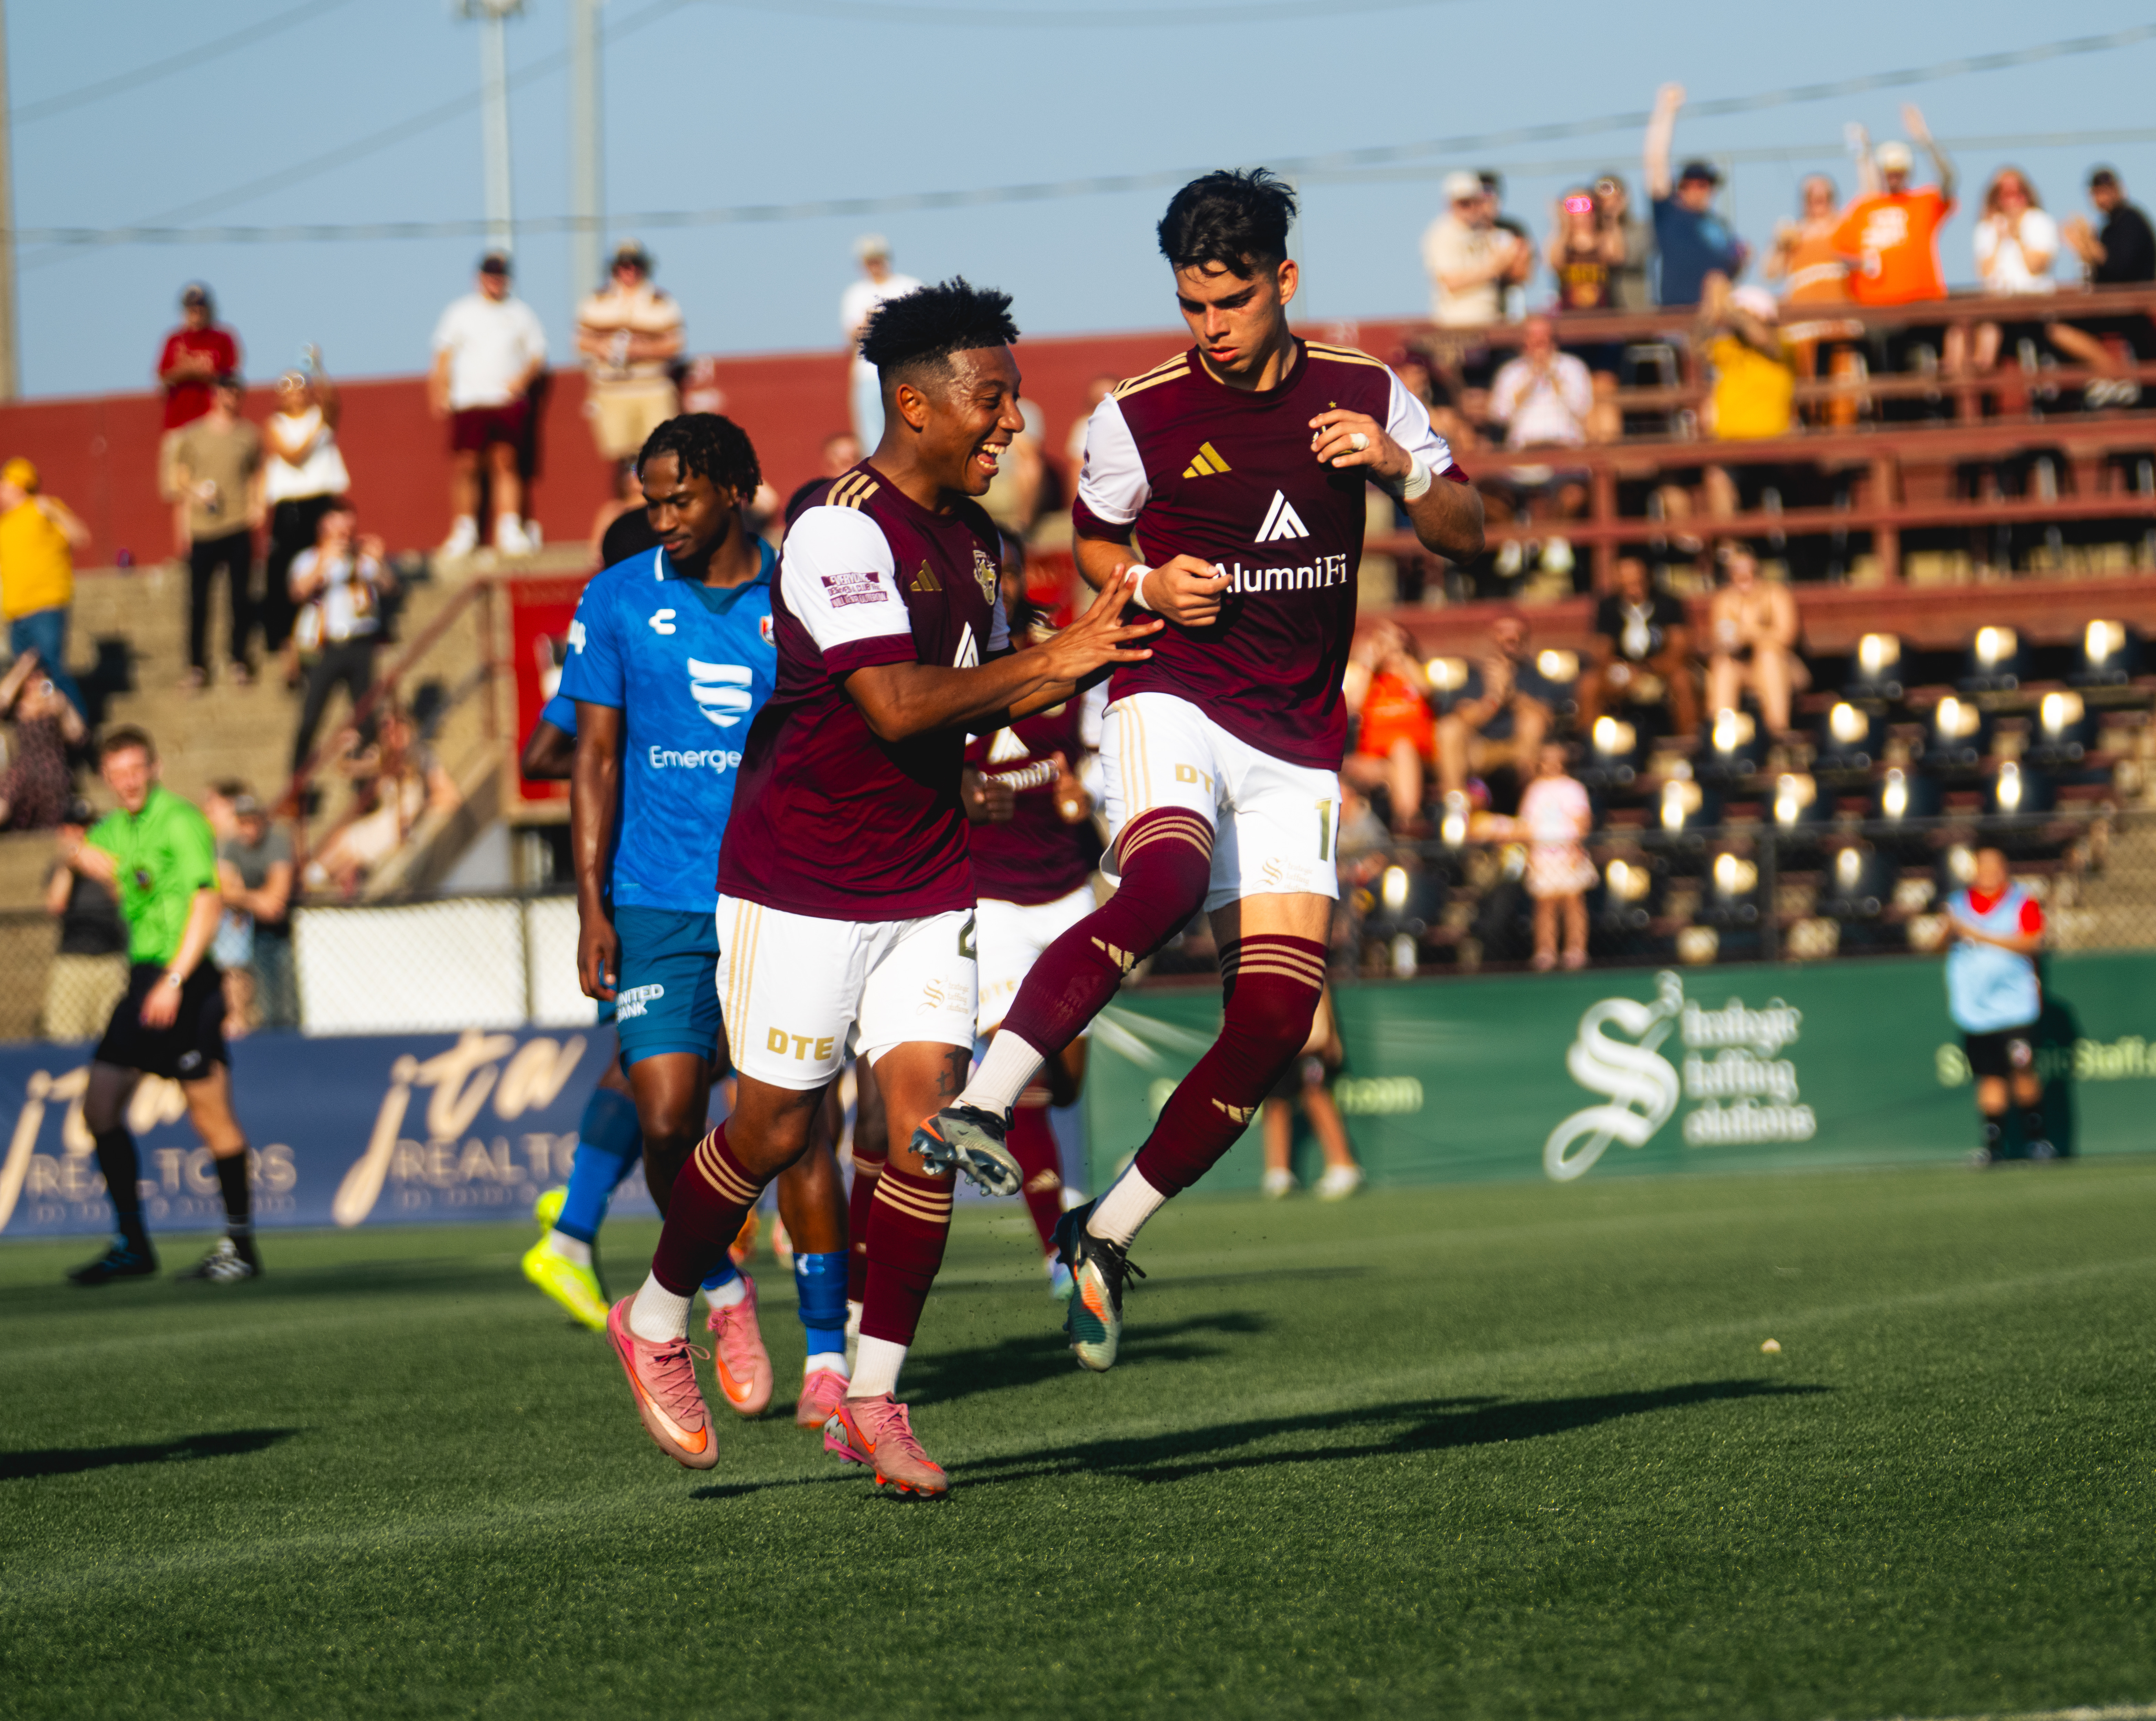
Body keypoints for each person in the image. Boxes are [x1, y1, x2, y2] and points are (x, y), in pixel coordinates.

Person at [921, 169, 1481, 1379]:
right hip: (1171, 690)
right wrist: (1145, 586)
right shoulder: (1138, 414)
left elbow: (1467, 532)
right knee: (1164, 879)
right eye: (1189, 304)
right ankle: (982, 1098)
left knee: (1274, 1018)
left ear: (1283, 282)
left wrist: (1398, 464)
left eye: (1227, 303)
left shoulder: (1366, 392)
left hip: (1295, 739)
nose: (1207, 327)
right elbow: (1094, 544)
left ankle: (1102, 1233)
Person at [603, 279, 1157, 1494]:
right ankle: (651, 1318)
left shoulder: (980, 542)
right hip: (798, 882)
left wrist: (1108, 644)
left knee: (923, 1130)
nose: (1014, 420)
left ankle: (870, 1396)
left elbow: (991, 695)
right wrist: (1056, 656)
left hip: (924, 881)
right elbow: (894, 702)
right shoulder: (837, 528)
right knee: (770, 1131)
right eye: (992, 397)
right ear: (914, 404)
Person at [557, 412, 854, 1430]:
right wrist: (592, 902)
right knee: (667, 1113)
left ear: (735, 487)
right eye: (650, 500)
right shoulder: (614, 596)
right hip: (655, 894)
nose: (662, 517)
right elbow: (589, 759)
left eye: (678, 497)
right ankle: (723, 1291)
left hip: (783, 892)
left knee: (802, 1125)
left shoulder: (799, 594)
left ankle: (828, 1357)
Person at [57, 728, 262, 1284]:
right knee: (99, 1105)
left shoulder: (179, 819)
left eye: (135, 768)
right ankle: (132, 1244)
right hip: (143, 978)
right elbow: (86, 849)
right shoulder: (119, 826)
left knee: (211, 1116)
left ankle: (241, 1245)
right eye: (116, 772)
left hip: (186, 978)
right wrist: (77, 852)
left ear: (155, 766)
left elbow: (207, 898)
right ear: (107, 777)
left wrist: (175, 978)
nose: (127, 780)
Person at [960, 539, 1104, 1300]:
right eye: (985, 575)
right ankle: (1059, 1246)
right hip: (993, 900)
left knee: (1069, 1075)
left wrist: (1089, 794)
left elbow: (1093, 760)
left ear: (1021, 579)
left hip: (1066, 889)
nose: (997, 586)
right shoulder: (950, 670)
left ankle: (1079, 1212)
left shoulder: (1062, 660)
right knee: (1032, 1072)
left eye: (1006, 572)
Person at [430, 252, 548, 558]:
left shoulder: (521, 314)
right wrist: (438, 392)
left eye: (500, 276)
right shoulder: (460, 312)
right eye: (490, 275)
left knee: (506, 461)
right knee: (466, 464)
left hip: (506, 402)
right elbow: (443, 355)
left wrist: (520, 381)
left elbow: (537, 356)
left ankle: (509, 527)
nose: (495, 281)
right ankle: (464, 529)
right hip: (469, 401)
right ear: (479, 278)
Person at [1945, 847, 2052, 1165]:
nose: (1990, 872)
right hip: (1976, 1012)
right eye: (1984, 866)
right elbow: (1938, 944)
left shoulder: (2021, 900)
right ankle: (1994, 1147)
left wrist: (1981, 935)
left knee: (2022, 1069)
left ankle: (2038, 1141)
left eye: (1996, 866)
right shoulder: (1958, 904)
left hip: (2015, 1008)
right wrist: (1947, 932)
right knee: (1990, 1076)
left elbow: (2034, 940)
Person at [1832, 109, 1957, 378]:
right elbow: (1840, 252)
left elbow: (1949, 180)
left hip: (1920, 303)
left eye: (1899, 171)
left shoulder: (1922, 202)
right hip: (1876, 308)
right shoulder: (1863, 208)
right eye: (1889, 171)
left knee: (1929, 362)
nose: (1894, 176)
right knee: (1885, 369)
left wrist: (1925, 139)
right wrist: (1860, 262)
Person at [162, 373, 262, 689]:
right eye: (224, 391)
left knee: (240, 598)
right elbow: (178, 481)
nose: (229, 397)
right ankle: (196, 665)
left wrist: (257, 506)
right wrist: (191, 508)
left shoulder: (249, 435)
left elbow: (257, 473)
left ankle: (239, 660)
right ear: (213, 395)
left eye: (235, 391)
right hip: (203, 527)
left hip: (237, 524)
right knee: (198, 601)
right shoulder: (193, 435)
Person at [260, 354, 349, 689]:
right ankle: (291, 662)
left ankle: (326, 651)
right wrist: (318, 428)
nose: (294, 392)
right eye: (287, 386)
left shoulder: (321, 416)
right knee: (286, 582)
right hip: (290, 508)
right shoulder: (276, 425)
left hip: (321, 503)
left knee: (326, 576)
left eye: (299, 385)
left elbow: (332, 403)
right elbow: (293, 454)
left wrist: (319, 369)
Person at [288, 502, 394, 775]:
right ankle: (296, 784)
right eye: (339, 527)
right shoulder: (309, 559)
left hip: (361, 643)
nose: (345, 534)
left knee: (366, 717)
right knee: (310, 719)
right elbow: (297, 592)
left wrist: (379, 560)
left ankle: (367, 785)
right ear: (324, 527)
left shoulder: (361, 558)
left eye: (349, 527)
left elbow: (390, 587)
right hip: (327, 646)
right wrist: (324, 563)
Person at [575, 240, 685, 466]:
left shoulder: (661, 302)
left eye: (636, 264)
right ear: (615, 268)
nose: (630, 270)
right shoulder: (596, 301)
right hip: (611, 388)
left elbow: (676, 345)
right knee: (621, 459)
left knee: (660, 453)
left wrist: (641, 350)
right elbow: (580, 341)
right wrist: (600, 348)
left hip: (652, 386)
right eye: (624, 265)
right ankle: (629, 500)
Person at [0, 457, 89, 716]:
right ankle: (47, 738)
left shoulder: (42, 509)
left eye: (4, 483)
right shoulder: (5, 524)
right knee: (30, 682)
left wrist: (53, 511)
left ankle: (81, 731)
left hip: (46, 605)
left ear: (18, 485)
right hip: (17, 612)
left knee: (53, 670)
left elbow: (80, 536)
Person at [1642, 85, 1747, 306]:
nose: (1702, 190)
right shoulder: (1668, 213)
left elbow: (1733, 264)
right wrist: (1666, 112)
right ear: (1682, 187)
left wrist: (1743, 258)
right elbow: (1655, 162)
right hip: (1678, 313)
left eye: (1707, 185)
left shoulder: (1718, 225)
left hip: (1716, 315)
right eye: (1695, 184)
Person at [2053, 167, 2156, 392]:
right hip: (2115, 309)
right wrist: (2084, 249)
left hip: (2132, 312)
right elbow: (2096, 279)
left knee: (2057, 328)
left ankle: (2115, 377)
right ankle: (2102, 381)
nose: (2103, 197)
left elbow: (2120, 269)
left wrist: (2087, 243)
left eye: (2108, 191)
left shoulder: (2131, 220)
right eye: (2098, 192)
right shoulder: (2109, 228)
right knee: (2057, 323)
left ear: (2120, 191)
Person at [1435, 614, 1554, 803]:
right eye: (1503, 632)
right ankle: (1455, 804)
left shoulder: (1534, 675)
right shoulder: (1474, 675)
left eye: (1517, 632)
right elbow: (1464, 715)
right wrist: (1493, 699)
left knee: (1533, 721)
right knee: (1448, 729)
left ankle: (1531, 803)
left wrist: (1512, 695)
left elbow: (1547, 716)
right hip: (1479, 748)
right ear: (1491, 638)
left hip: (1521, 748)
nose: (1511, 637)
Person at [1258, 986, 1361, 1200]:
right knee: (1275, 1101)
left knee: (1316, 1095)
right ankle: (1279, 1173)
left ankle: (1344, 1167)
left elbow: (1322, 992)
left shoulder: (1308, 958)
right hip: (1273, 1038)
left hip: (1310, 1040)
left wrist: (1330, 1034)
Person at [1580, 555, 1697, 740]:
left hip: (1660, 671)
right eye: (1626, 582)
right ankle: (1590, 745)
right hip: (1622, 673)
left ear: (1647, 578)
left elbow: (1678, 650)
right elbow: (1601, 651)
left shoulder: (1668, 604)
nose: (1633, 587)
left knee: (1682, 679)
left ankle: (1688, 742)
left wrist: (1646, 669)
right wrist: (1623, 670)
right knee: (1589, 683)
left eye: (1637, 581)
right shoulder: (1608, 607)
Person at [41, 797, 130, 1042]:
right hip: (73, 961)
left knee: (113, 1037)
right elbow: (55, 905)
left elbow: (127, 900)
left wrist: (104, 871)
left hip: (112, 958)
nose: (84, 833)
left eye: (89, 826)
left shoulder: (111, 861)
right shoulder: (60, 866)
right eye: (77, 826)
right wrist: (70, 865)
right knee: (65, 1037)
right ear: (65, 830)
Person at [1343, 619, 1436, 834]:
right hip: (1374, 761)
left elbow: (1426, 690)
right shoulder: (1370, 680)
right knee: (1398, 764)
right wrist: (1370, 663)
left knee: (1402, 749)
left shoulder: (1411, 675)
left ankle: (1406, 823)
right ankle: (1409, 825)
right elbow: (1354, 706)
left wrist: (1400, 654)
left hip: (1417, 758)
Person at [215, 788, 296, 1030]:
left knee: (287, 1005)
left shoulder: (277, 842)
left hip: (281, 932)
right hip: (250, 930)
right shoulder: (231, 846)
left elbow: (277, 903)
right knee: (261, 1004)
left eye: (253, 820)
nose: (248, 828)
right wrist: (257, 899)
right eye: (242, 822)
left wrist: (242, 898)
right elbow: (224, 890)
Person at [1704, 541, 1802, 736]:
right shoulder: (1724, 600)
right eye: (1736, 570)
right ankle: (1723, 732)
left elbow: (1786, 637)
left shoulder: (1776, 594)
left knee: (1769, 657)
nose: (1743, 575)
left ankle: (1778, 730)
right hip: (1743, 666)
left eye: (1748, 569)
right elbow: (1722, 637)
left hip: (1783, 667)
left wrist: (1751, 632)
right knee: (1724, 665)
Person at [1970, 167, 2059, 376]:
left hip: (2035, 303)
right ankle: (1969, 387)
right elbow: (1985, 273)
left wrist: (2018, 236)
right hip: (1997, 306)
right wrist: (2000, 240)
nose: (2011, 200)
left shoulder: (2040, 221)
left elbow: (2037, 267)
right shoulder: (1987, 227)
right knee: (1966, 330)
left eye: (2017, 192)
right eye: (2003, 193)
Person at [839, 235, 923, 450]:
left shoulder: (910, 286)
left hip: (906, 370)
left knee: (911, 428)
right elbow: (851, 336)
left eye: (878, 259)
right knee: (872, 438)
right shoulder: (855, 293)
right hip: (868, 374)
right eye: (869, 260)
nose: (874, 265)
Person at [1518, 741, 1594, 971]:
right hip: (1543, 856)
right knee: (1545, 906)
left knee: (1573, 904)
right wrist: (1530, 852)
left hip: (1568, 853)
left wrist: (1575, 848)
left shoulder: (1574, 788)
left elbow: (1583, 820)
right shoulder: (1535, 790)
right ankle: (1546, 951)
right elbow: (1527, 824)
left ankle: (1576, 949)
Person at [1422, 170, 1529, 328]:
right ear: (1451, 204)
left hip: (1491, 321)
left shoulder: (1488, 231)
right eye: (1464, 203)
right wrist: (1494, 268)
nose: (1471, 208)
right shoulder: (1442, 233)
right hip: (1457, 325)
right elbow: (1450, 282)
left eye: (1476, 202)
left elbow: (1522, 273)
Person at [0, 647, 85, 830]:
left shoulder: (56, 704)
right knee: (10, 789)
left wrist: (65, 710)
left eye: (40, 676)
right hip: (25, 766)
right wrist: (23, 667)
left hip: (52, 768)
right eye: (32, 678)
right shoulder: (18, 707)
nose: (36, 681)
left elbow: (78, 736)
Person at [156, 283, 241, 433]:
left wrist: (202, 374)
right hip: (179, 422)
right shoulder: (175, 340)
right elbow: (163, 378)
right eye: (192, 308)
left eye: (201, 307)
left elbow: (231, 379)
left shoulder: (222, 339)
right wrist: (186, 372)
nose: (197, 311)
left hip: (212, 422)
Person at [1592, 173, 1654, 310]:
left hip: (1634, 312)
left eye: (1615, 198)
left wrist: (1611, 223)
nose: (1609, 204)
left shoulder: (1640, 230)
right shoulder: (1591, 234)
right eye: (1602, 200)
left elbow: (1625, 258)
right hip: (1600, 316)